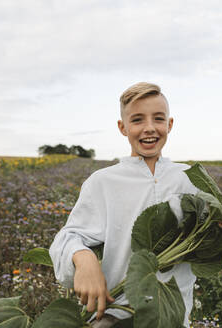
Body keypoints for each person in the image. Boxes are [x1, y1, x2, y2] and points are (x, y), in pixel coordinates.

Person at [49, 82, 199, 327]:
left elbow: (211, 230)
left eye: (158, 119)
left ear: (170, 124)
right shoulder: (103, 182)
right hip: (113, 314)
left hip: (170, 315)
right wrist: (83, 257)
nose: (149, 128)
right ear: (123, 127)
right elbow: (69, 236)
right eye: (137, 120)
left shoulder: (189, 178)